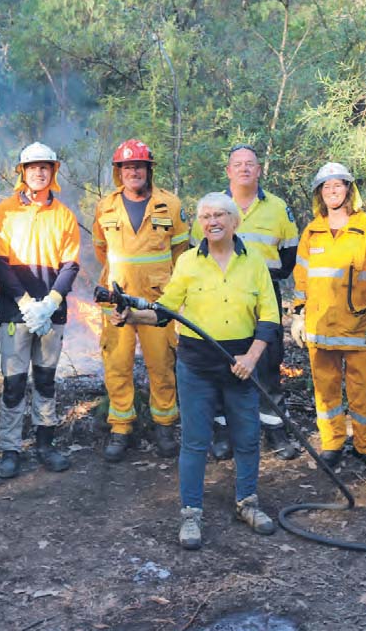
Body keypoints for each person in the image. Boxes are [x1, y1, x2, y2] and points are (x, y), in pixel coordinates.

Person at [120, 192, 280, 550]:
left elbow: (269, 317)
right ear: (199, 223)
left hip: (241, 365)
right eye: (205, 216)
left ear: (234, 221)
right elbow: (166, 310)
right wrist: (130, 315)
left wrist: (252, 358)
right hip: (196, 366)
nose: (212, 222)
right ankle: (191, 512)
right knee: (194, 442)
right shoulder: (189, 262)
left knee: (247, 437)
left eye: (220, 214)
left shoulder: (254, 262)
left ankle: (248, 502)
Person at [191, 144, 299, 460]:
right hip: (222, 299)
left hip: (265, 298)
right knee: (223, 363)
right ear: (228, 171)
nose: (244, 169)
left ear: (259, 170)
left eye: (250, 164)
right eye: (237, 164)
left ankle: (275, 431)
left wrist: (260, 279)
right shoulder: (214, 207)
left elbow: (289, 257)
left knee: (267, 363)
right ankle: (224, 433)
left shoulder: (278, 208)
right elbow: (198, 254)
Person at [92, 139, 190, 462]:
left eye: (139, 166)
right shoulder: (105, 206)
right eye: (127, 167)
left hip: (158, 302)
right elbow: (101, 250)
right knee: (117, 364)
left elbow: (181, 254)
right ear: (119, 172)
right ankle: (121, 426)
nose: (133, 171)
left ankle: (164, 425)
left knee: (161, 364)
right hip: (117, 302)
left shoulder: (170, 205)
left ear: (149, 170)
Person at [0, 142, 81, 479]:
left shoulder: (64, 215)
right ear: (22, 173)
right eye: (32, 167)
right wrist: (25, 302)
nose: (39, 172)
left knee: (45, 380)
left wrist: (52, 302)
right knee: (13, 383)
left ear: (53, 172)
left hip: (51, 313)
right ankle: (10, 448)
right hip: (15, 312)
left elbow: (70, 265)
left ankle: (45, 444)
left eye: (45, 166)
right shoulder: (4, 212)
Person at [291, 162, 366, 470]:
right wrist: (297, 315)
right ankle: (332, 444)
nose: (333, 191)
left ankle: (365, 445)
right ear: (319, 193)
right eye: (326, 186)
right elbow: (302, 278)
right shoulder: (312, 231)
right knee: (325, 389)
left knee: (365, 389)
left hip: (359, 327)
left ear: (349, 189)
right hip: (321, 327)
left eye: (338, 185)